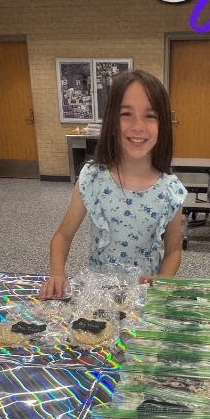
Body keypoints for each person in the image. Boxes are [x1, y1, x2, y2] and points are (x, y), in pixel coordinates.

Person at [40, 69, 186, 296]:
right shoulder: (93, 179)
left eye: (150, 115)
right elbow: (62, 237)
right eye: (126, 114)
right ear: (111, 120)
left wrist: (161, 281)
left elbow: (174, 251)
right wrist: (57, 272)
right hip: (98, 298)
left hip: (143, 299)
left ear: (163, 123)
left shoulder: (170, 191)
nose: (138, 126)